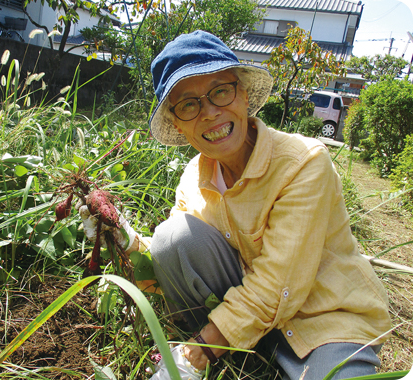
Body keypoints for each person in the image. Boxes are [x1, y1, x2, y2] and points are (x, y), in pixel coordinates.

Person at [79, 30, 391, 380]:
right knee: (173, 237)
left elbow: (277, 285)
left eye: (221, 91)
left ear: (243, 95)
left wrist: (191, 355)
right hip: (249, 323)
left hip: (326, 321)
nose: (210, 112)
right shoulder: (193, 178)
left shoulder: (304, 164)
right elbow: (172, 262)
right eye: (188, 104)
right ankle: (242, 355)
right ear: (178, 125)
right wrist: (124, 238)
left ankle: (227, 350)